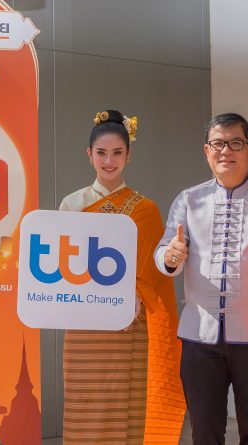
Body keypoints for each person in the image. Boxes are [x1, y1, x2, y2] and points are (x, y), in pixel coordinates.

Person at [154, 113, 248, 444]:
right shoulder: (189, 200)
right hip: (199, 337)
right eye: (218, 143)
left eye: (236, 143)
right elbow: (164, 253)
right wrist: (170, 257)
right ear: (206, 151)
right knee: (204, 432)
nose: (226, 151)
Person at [60, 110, 185, 444]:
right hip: (84, 325)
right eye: (101, 152)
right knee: (83, 405)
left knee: (130, 410)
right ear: (89, 154)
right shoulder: (71, 204)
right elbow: (63, 265)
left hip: (130, 323)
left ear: (128, 155)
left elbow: (155, 275)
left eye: (117, 152)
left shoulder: (146, 210)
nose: (109, 161)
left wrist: (134, 297)